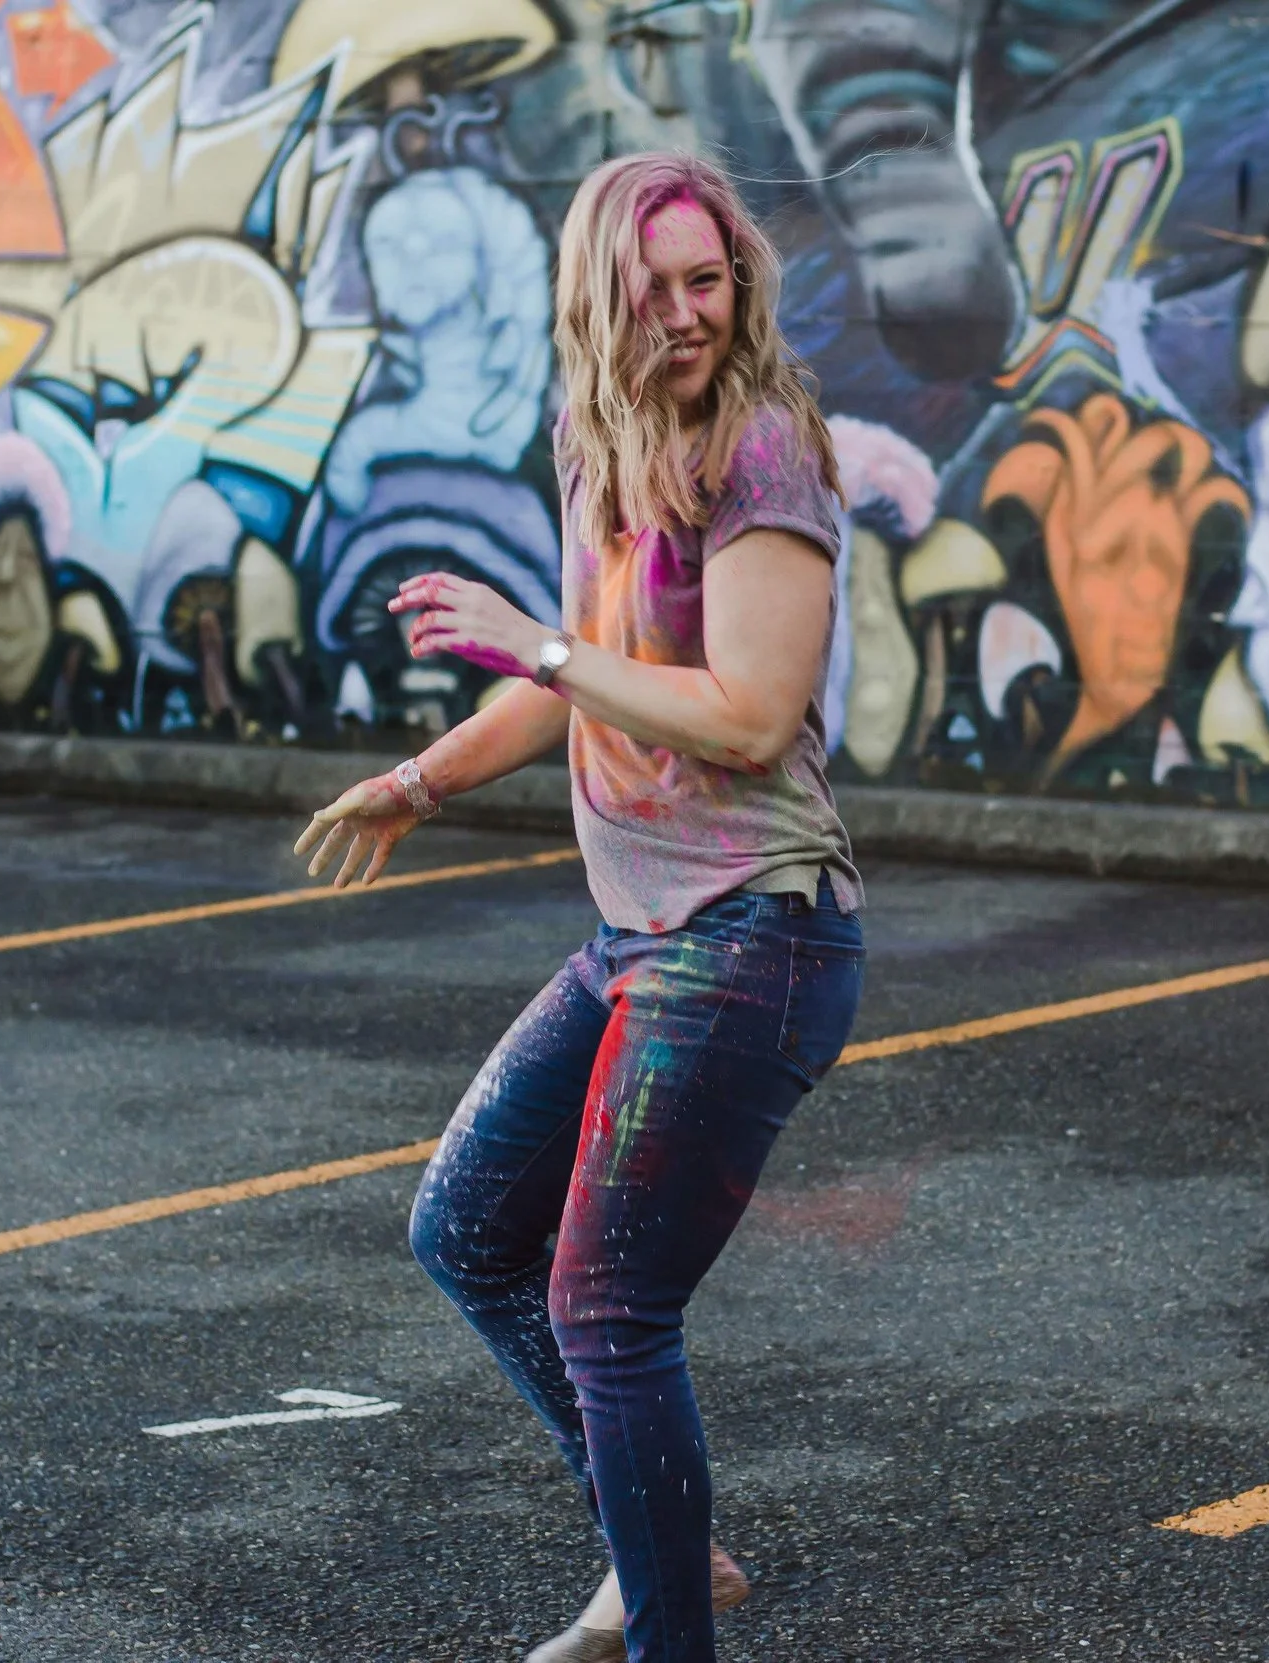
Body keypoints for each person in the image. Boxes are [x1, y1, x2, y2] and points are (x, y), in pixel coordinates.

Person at [292, 152, 865, 1662]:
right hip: (643, 938)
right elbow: (580, 687)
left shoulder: (764, 454)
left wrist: (538, 647)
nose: (686, 312)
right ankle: (660, 1538)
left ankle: (663, 1610)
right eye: (653, 284)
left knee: (608, 1303)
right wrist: (420, 781)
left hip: (757, 932)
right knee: (468, 1225)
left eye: (709, 278)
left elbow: (744, 714)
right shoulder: (597, 436)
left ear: (738, 279)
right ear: (598, 295)